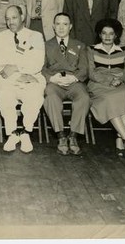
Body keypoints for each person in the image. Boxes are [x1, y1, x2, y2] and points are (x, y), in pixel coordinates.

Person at [0, 5, 45, 153]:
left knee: (35, 95)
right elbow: (0, 64)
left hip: (31, 76)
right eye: (7, 19)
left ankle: (26, 131)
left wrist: (16, 67)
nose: (11, 22)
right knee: (4, 95)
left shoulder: (35, 36)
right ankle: (13, 133)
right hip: (7, 78)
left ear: (22, 17)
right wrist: (21, 66)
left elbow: (37, 62)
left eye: (14, 18)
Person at [87, 19, 125, 161]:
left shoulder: (124, 50)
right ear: (99, 34)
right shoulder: (91, 49)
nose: (107, 37)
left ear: (116, 35)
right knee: (111, 99)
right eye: (104, 33)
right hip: (99, 84)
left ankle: (119, 138)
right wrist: (109, 80)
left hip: (119, 83)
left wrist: (120, 80)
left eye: (111, 33)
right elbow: (92, 73)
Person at [42, 13, 90, 156]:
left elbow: (84, 68)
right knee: (50, 98)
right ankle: (61, 136)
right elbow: (40, 68)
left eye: (65, 24)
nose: (61, 27)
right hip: (55, 83)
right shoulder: (45, 45)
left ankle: (73, 136)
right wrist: (51, 78)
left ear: (70, 27)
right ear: (53, 26)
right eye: (58, 24)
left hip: (73, 82)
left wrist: (74, 78)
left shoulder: (79, 45)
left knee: (84, 98)